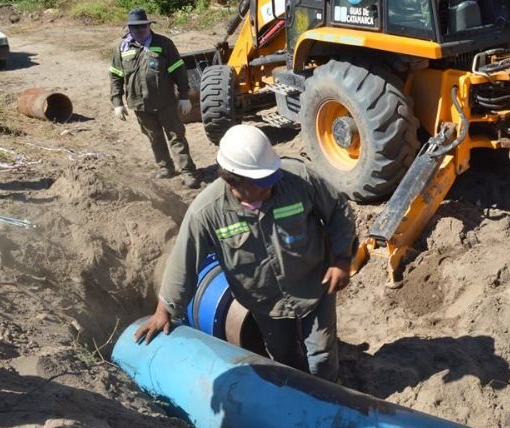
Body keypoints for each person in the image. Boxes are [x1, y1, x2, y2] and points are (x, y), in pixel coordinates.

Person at [134, 124, 356, 382]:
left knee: (322, 357)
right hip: (265, 304)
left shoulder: (298, 179)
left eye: (273, 176)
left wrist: (341, 259)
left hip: (315, 286)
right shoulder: (207, 212)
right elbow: (185, 260)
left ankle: (332, 394)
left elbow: (340, 211)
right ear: (232, 180)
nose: (272, 185)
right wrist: (165, 310)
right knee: (286, 359)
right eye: (263, 182)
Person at [109, 8, 200, 188]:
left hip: (166, 102)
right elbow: (116, 76)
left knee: (176, 136)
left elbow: (179, 71)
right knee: (154, 137)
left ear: (149, 25)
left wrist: (184, 96)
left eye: (143, 25)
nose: (140, 30)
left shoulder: (164, 43)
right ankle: (165, 167)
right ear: (129, 28)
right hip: (140, 104)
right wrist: (117, 102)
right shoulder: (122, 48)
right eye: (135, 27)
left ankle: (188, 171)